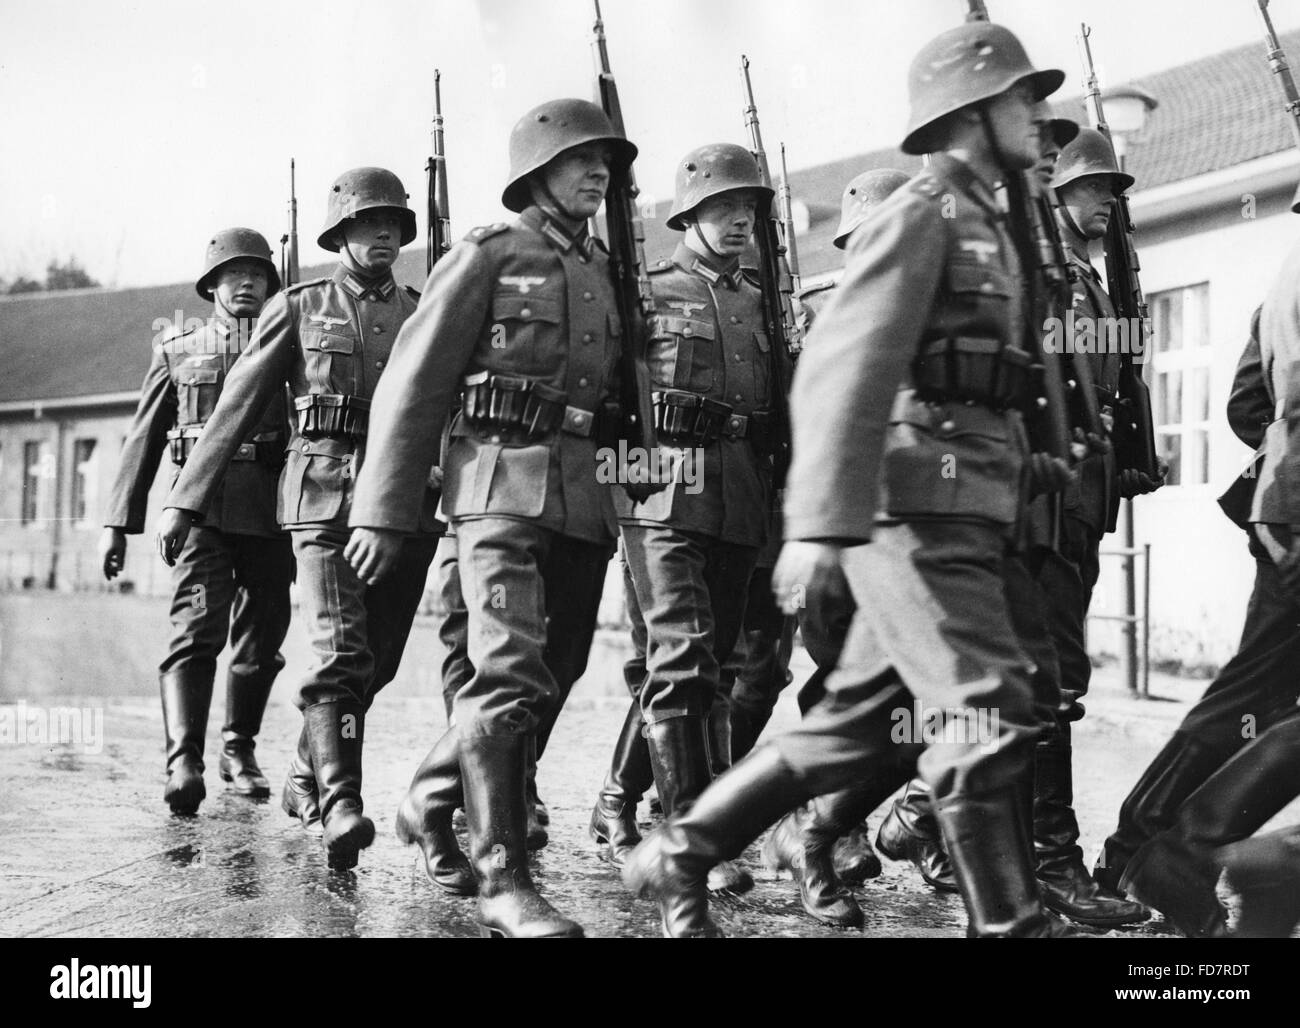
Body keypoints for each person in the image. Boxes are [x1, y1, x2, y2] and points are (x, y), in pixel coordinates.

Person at [623, 20, 1076, 938]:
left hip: (970, 506)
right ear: (973, 112)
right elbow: (846, 369)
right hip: (912, 510)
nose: (1039, 111)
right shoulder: (922, 213)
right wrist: (820, 529)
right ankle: (1012, 924)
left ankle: (681, 851)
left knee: (859, 726)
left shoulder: (998, 220)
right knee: (984, 711)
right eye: (1024, 96)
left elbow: (998, 373)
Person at [346, 99, 633, 938]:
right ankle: (503, 874)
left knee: (560, 670)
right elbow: (414, 381)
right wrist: (386, 512)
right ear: (534, 169)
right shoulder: (490, 254)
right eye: (582, 157)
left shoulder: (606, 273)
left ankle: (431, 795)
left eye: (607, 162)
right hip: (495, 488)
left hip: (582, 495)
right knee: (508, 674)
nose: (598, 172)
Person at [158, 168, 440, 869]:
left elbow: (450, 401)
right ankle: (343, 803)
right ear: (340, 233)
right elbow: (239, 404)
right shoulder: (301, 306)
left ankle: (307, 772)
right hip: (321, 496)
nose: (384, 235)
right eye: (369, 223)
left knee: (377, 661)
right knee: (340, 651)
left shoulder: (423, 308)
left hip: (405, 505)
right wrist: (184, 499)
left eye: (394, 225)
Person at [589, 142, 786, 897]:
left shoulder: (761, 300)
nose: (738, 222)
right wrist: (614, 495)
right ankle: (689, 838)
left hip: (738, 496)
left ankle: (617, 797)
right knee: (682, 656)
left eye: (748, 211)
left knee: (719, 666)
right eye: (722, 210)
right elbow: (608, 399)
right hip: (659, 493)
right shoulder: (644, 291)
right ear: (689, 215)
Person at [1094, 306, 1300, 893]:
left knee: (1257, 698)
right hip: (1293, 514)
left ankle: (1148, 849)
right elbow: (1251, 407)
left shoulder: (1284, 279)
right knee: (1254, 698)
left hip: (1284, 510)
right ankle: (1166, 852)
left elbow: (1250, 404)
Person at [101, 228, 293, 816]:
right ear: (211, 285)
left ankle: (239, 749)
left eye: (258, 275)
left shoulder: (293, 346)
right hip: (201, 515)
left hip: (273, 514)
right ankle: (183, 760)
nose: (246, 284)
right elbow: (144, 438)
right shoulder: (178, 350)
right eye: (234, 274)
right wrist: (118, 524)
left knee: (262, 640)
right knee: (195, 632)